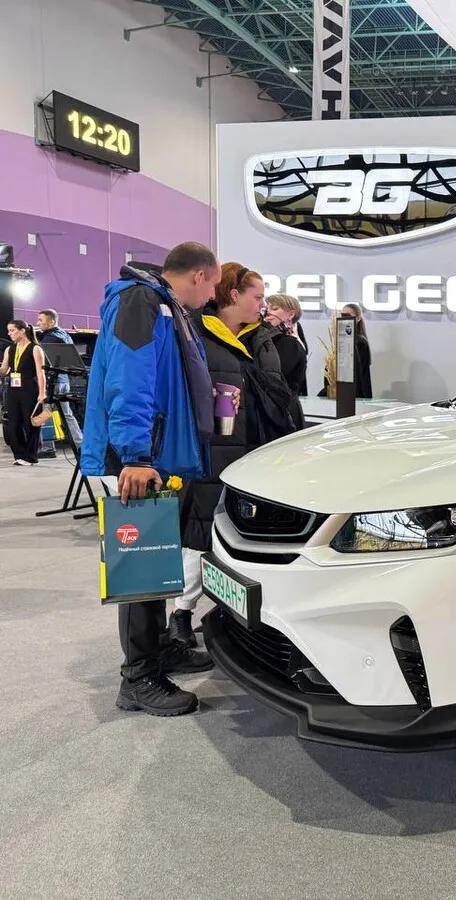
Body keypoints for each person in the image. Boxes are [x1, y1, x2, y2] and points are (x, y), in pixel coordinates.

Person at [81, 242, 220, 717]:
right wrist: (136, 456)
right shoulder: (140, 301)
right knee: (140, 570)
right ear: (200, 275)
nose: (212, 294)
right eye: (214, 284)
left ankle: (157, 650)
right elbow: (129, 378)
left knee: (156, 561)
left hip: (156, 456)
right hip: (140, 460)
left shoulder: (160, 303)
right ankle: (138, 678)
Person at [171, 264, 301, 647]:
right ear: (233, 294)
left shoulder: (263, 339)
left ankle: (236, 617)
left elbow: (280, 395)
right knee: (199, 535)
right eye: (257, 296)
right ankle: (181, 614)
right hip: (209, 453)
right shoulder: (196, 333)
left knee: (245, 539)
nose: (263, 304)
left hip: (256, 454)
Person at [35, 309, 84, 448]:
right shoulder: (63, 334)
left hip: (53, 381)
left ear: (51, 322)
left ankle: (47, 447)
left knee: (45, 413)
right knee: (67, 414)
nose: (38, 323)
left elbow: (40, 358)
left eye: (40, 320)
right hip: (64, 380)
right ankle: (80, 444)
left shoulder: (50, 338)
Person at [1, 320, 47, 465]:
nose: (9, 333)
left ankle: (30, 456)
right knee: (13, 423)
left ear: (22, 331)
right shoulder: (10, 349)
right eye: (8, 330)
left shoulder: (35, 348)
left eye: (12, 330)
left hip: (29, 388)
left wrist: (42, 393)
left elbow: (40, 373)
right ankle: (20, 455)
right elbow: (4, 370)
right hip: (13, 389)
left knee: (31, 423)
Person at [264, 293, 308, 397]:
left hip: (281, 403)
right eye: (266, 309)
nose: (268, 313)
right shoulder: (273, 339)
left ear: (291, 314)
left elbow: (274, 377)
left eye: (274, 309)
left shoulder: (290, 344)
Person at [341, 302, 373, 399]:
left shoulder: (360, 342)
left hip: (356, 394)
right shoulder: (342, 341)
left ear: (358, 319)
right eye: (342, 315)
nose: (344, 319)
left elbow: (361, 374)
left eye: (348, 316)